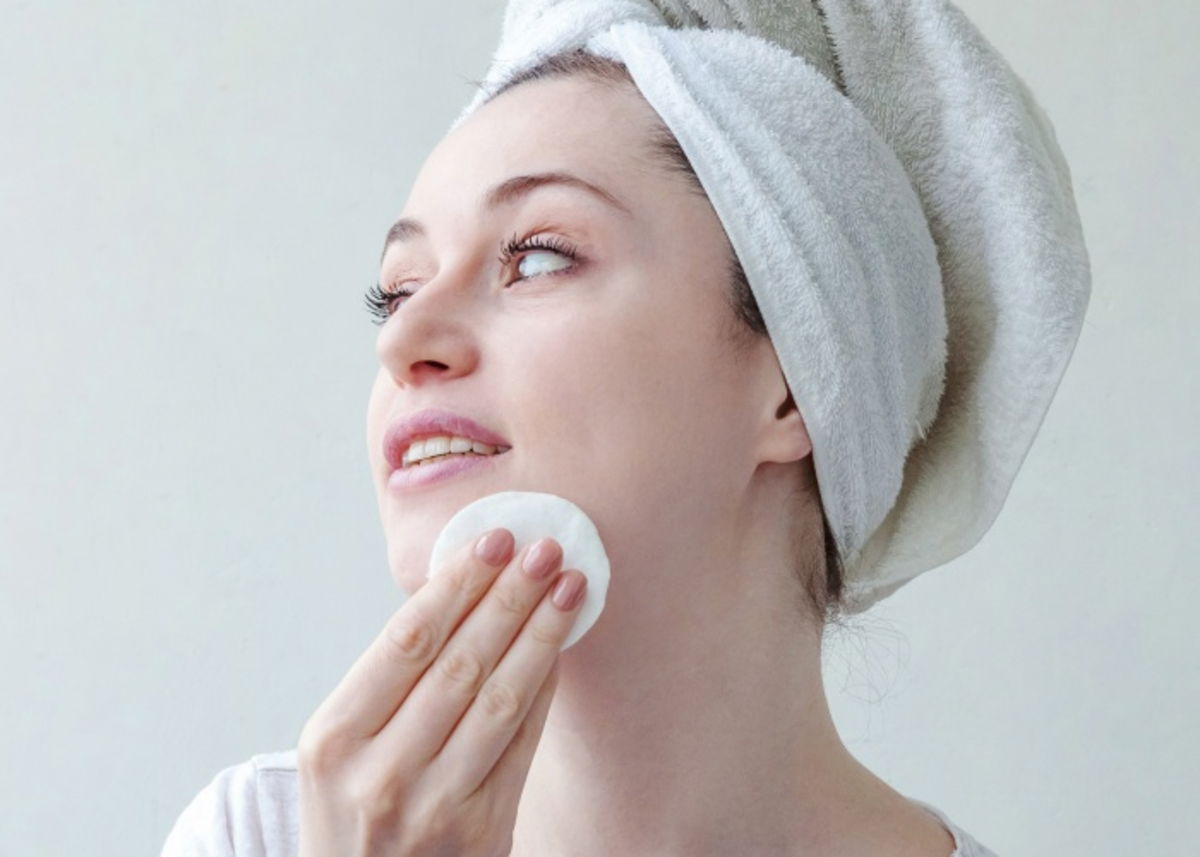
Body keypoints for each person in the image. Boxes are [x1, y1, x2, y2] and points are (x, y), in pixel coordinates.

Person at [161, 45, 1002, 856]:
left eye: (537, 259)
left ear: (795, 380)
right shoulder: (259, 838)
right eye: (398, 291)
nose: (405, 338)